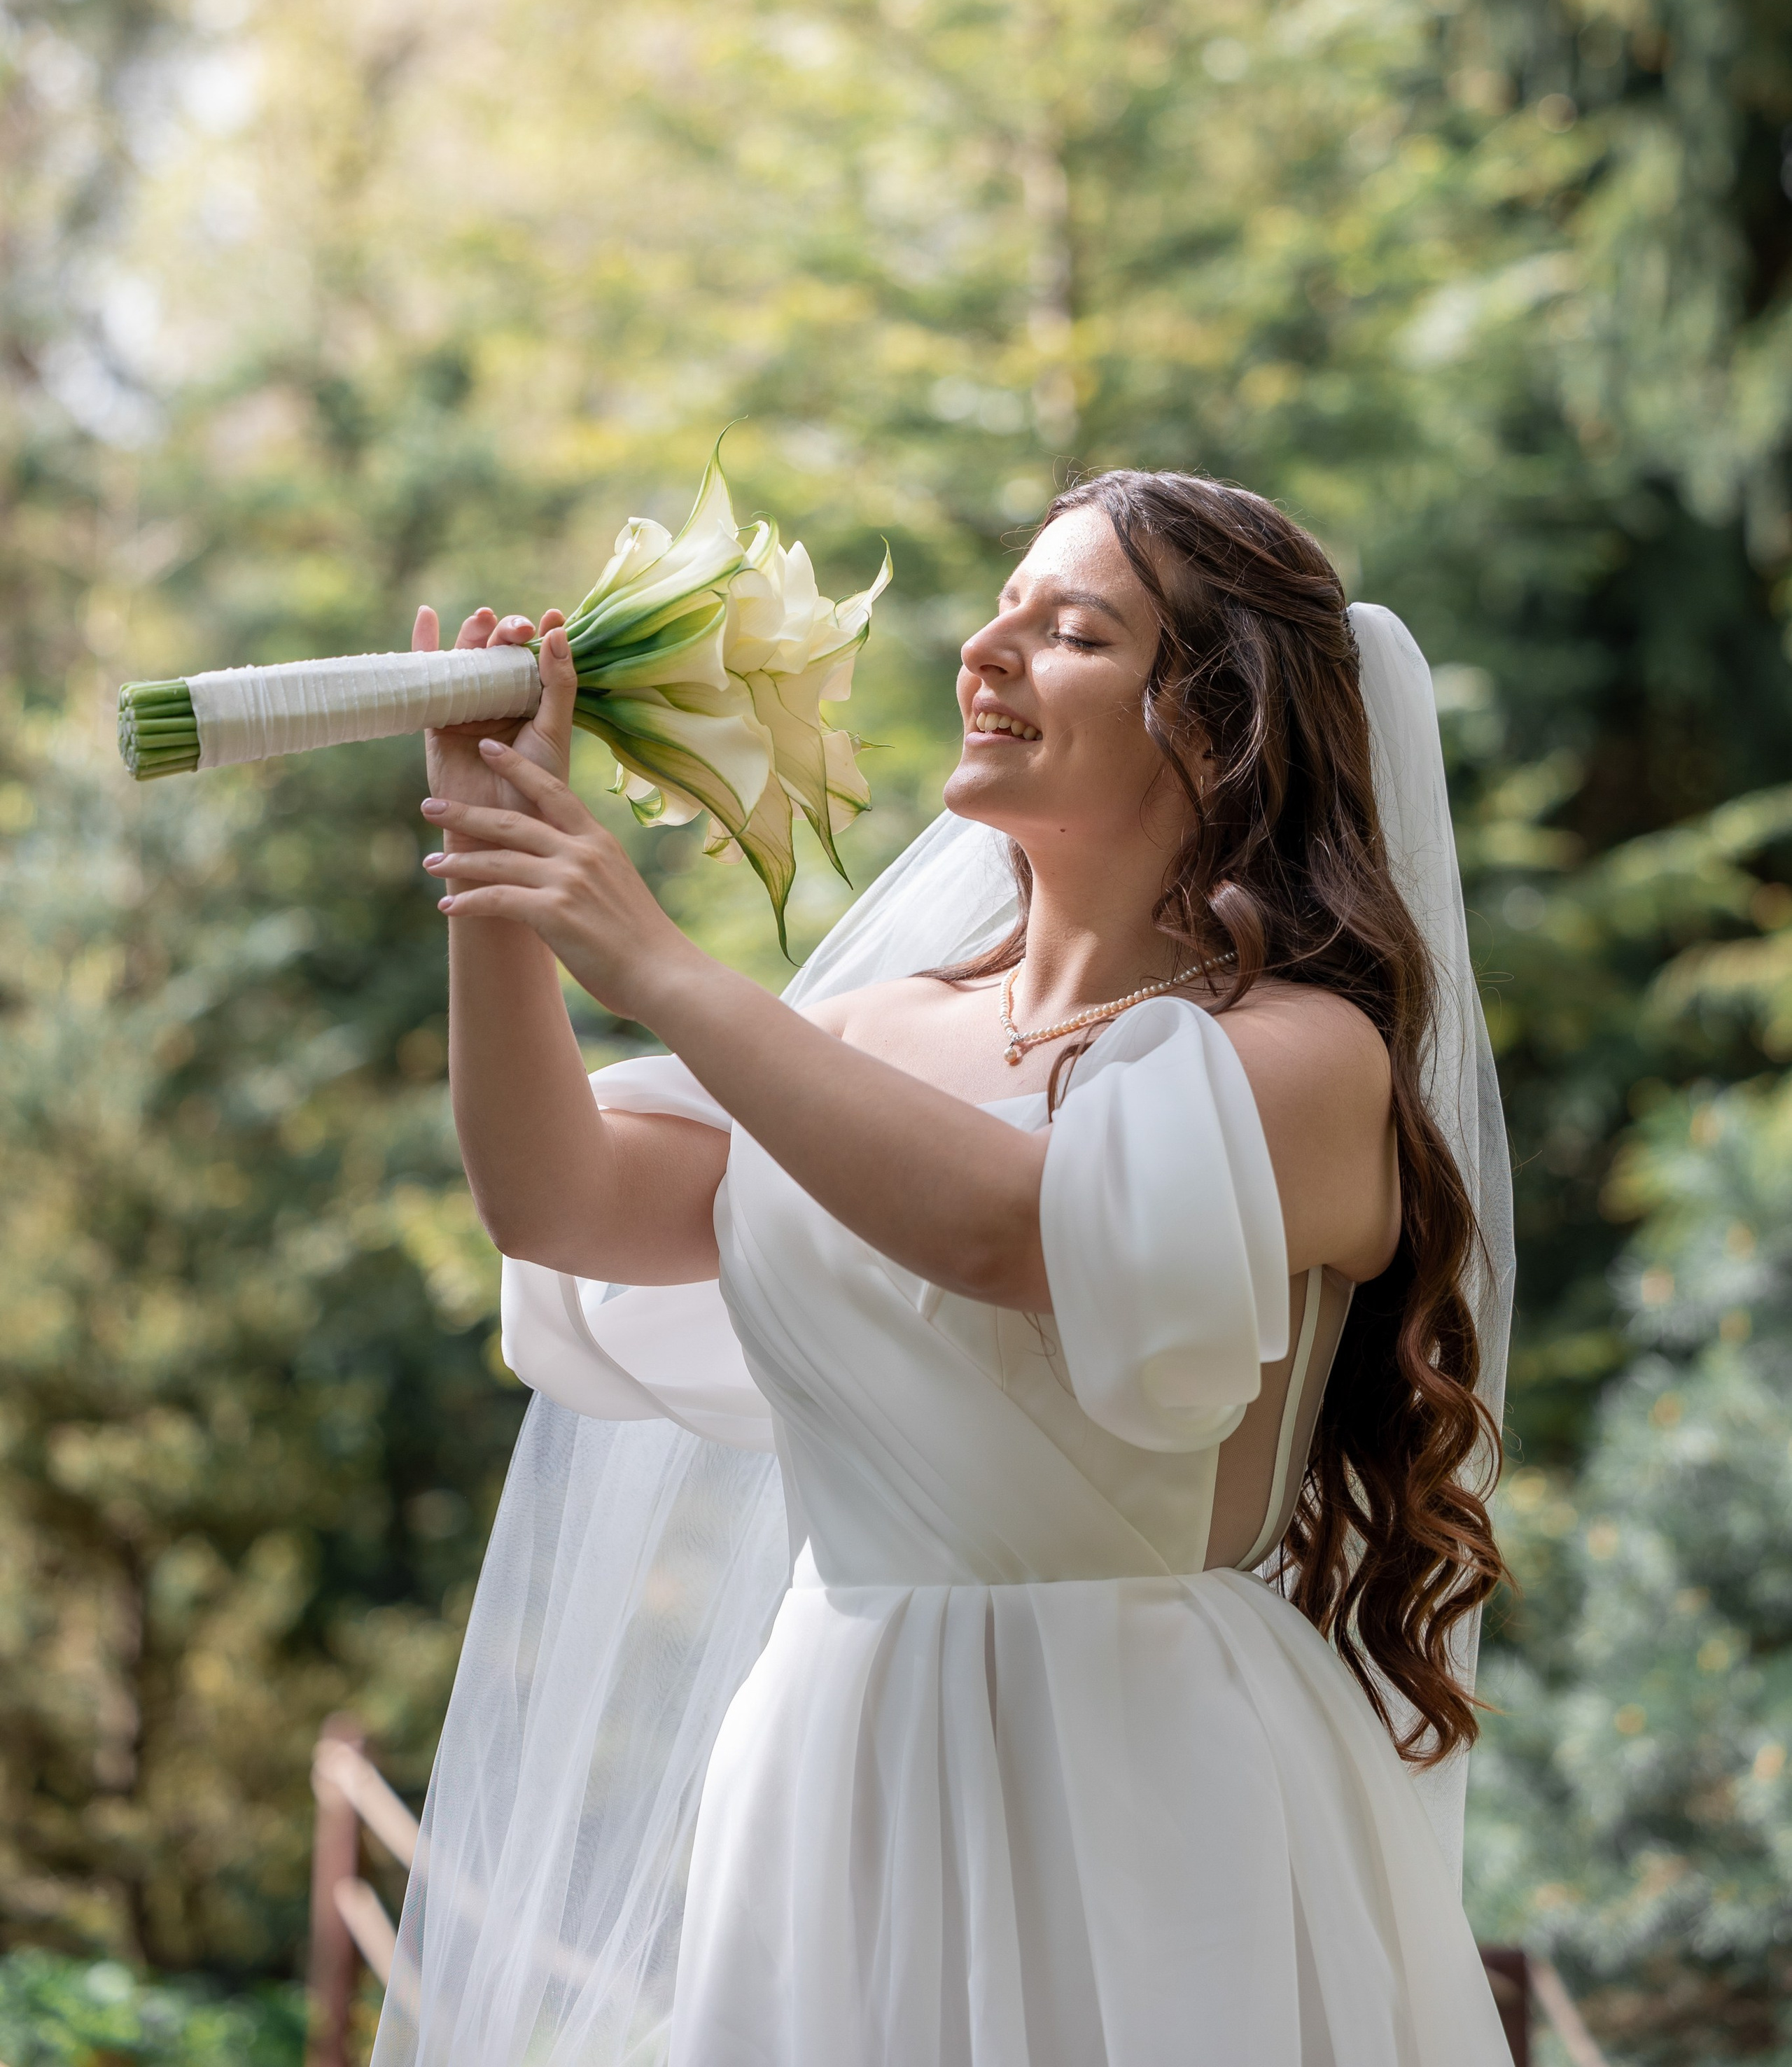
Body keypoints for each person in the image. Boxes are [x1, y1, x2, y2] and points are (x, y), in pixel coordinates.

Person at [376, 470, 1516, 2067]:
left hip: (1136, 1783)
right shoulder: (851, 1039)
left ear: (1215, 723)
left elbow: (1016, 1233)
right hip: (834, 1758)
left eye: (1070, 632)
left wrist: (650, 959)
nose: (985, 653)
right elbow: (556, 1202)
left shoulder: (1305, 1059)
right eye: (1000, 611)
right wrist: (499, 881)